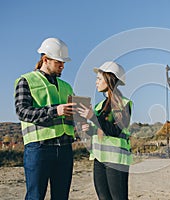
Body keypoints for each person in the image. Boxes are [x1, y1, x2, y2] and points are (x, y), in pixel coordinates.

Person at [14, 37, 76, 200]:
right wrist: (56, 111)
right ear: (45, 59)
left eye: (64, 62)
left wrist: (79, 118)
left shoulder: (66, 86)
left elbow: (70, 117)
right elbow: (22, 112)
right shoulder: (26, 81)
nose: (63, 66)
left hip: (64, 148)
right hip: (39, 149)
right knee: (35, 196)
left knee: (61, 197)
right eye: (59, 62)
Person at [77, 61, 133, 200]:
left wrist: (93, 118)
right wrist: (90, 129)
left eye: (99, 79)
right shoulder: (98, 106)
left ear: (109, 79)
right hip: (99, 158)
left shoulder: (124, 104)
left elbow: (115, 130)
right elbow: (103, 130)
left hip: (116, 159)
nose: (96, 82)